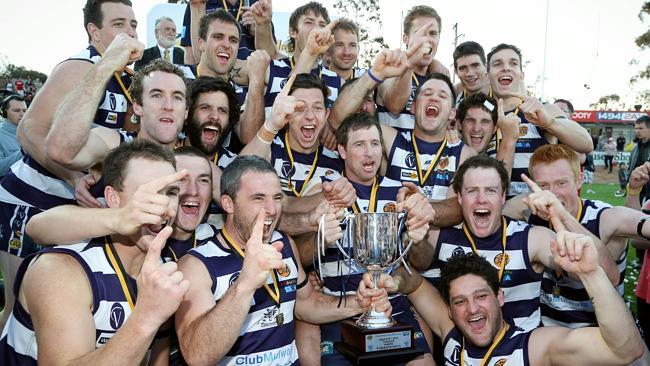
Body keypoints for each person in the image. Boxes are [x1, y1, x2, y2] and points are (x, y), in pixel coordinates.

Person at [0, 0, 139, 331]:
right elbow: (29, 130)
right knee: (21, 304)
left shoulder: (128, 79)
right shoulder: (79, 67)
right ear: (94, 32)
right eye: (119, 24)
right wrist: (73, 177)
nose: (130, 32)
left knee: (63, 306)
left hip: (76, 207)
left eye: (133, 24)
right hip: (31, 198)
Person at [174, 155, 384, 365]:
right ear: (229, 204)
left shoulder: (284, 244)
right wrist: (245, 285)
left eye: (276, 198)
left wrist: (358, 304)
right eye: (258, 198)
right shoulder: (196, 265)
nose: (272, 210)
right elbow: (197, 356)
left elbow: (306, 304)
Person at [0, 140, 190, 365]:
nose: (163, 206)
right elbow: (36, 226)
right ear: (112, 198)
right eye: (148, 193)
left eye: (171, 193)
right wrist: (147, 316)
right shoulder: (62, 270)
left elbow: (156, 358)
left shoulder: (164, 269)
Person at [408, 155, 618, 332]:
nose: (481, 199)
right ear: (460, 198)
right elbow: (418, 265)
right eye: (472, 191)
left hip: (525, 353)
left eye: (490, 190)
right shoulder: (440, 237)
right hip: (463, 353)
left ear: (503, 197)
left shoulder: (532, 238)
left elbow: (609, 275)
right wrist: (415, 232)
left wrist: (561, 216)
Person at [363, 241, 645, 365]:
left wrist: (590, 274)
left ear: (499, 297)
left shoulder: (533, 348)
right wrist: (383, 281)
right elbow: (412, 282)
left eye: (481, 296)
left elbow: (625, 350)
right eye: (460, 302)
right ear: (449, 310)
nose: (472, 309)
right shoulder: (452, 337)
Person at [315, 112, 435, 364]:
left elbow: (421, 262)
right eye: (360, 144)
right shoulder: (325, 191)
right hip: (341, 313)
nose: (370, 153)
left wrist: (419, 235)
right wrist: (321, 238)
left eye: (375, 144)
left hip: (392, 306)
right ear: (342, 151)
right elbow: (306, 252)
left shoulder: (399, 191)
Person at [503, 144, 645, 328]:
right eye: (543, 185)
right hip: (548, 333)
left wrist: (562, 216)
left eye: (561, 183)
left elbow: (643, 226)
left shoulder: (605, 217)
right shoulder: (526, 209)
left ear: (579, 180)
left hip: (602, 333)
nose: (552, 194)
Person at [483, 44, 593, 198]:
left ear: (521, 75)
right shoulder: (482, 118)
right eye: (497, 64)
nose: (506, 68)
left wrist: (549, 123)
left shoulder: (544, 110)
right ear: (487, 76)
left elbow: (586, 144)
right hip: (498, 210)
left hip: (538, 209)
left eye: (513, 63)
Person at [452, 41, 489, 106]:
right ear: (456, 72)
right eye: (463, 68)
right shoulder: (451, 104)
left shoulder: (503, 100)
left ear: (485, 67)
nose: (470, 73)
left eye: (475, 65)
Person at [0, 95, 27, 175]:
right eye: (16, 110)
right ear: (4, 112)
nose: (22, 114)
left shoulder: (32, 131)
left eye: (24, 110)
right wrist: (23, 151)